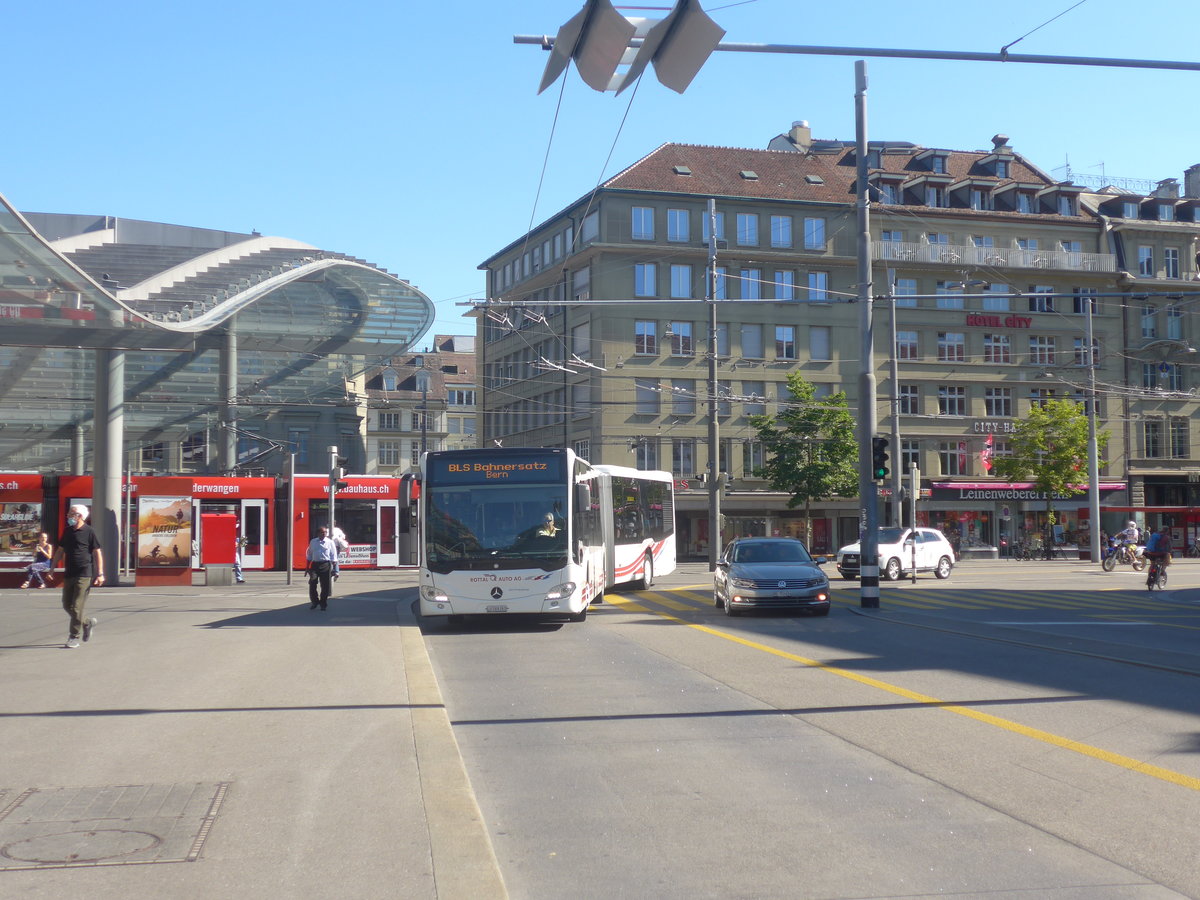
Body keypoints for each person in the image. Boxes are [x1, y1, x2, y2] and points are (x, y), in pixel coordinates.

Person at [50, 504, 104, 649]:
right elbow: (60, 550)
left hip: (84, 574)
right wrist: (52, 568)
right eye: (68, 513)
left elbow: (97, 553)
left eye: (71, 513)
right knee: (67, 604)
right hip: (69, 573)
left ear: (79, 516)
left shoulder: (89, 532)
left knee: (76, 607)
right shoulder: (67, 532)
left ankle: (74, 637)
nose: (68, 516)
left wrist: (100, 573)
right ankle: (87, 622)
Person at [305, 526, 339, 611]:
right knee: (312, 582)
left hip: (325, 565)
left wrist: (335, 570)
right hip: (315, 565)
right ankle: (314, 602)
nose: (324, 534)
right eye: (322, 532)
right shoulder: (313, 542)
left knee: (325, 586)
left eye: (325, 532)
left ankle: (323, 603)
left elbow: (334, 556)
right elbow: (309, 555)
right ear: (318, 533)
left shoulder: (330, 542)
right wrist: (307, 568)